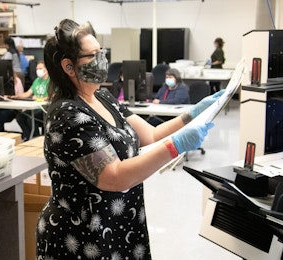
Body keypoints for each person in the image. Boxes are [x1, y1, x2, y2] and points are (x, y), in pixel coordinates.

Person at [35, 19, 224, 259]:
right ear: (69, 67)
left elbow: (150, 134)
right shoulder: (67, 114)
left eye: (101, 52)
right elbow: (113, 177)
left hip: (120, 225)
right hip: (83, 235)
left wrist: (192, 114)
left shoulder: (103, 96)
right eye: (93, 55)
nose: (102, 59)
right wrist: (175, 146)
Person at [11, 60, 50, 140]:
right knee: (20, 117)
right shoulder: (37, 81)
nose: (38, 70)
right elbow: (28, 93)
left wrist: (39, 98)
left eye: (40, 68)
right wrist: (17, 96)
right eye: (37, 69)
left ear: (46, 69)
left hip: (44, 109)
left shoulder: (50, 81)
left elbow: (51, 97)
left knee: (31, 118)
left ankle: (36, 139)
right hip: (35, 107)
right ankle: (28, 137)